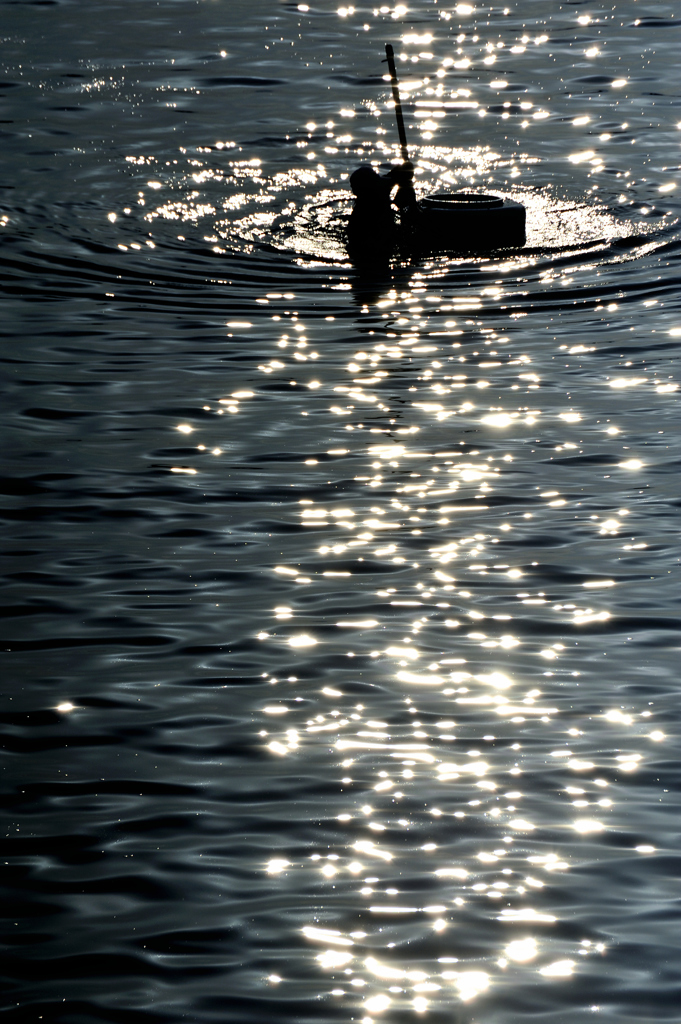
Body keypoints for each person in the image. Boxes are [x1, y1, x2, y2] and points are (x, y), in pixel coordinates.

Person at [346, 161, 419, 260]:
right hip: (373, 254)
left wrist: (406, 169)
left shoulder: (376, 191)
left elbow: (395, 175)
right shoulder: (362, 216)